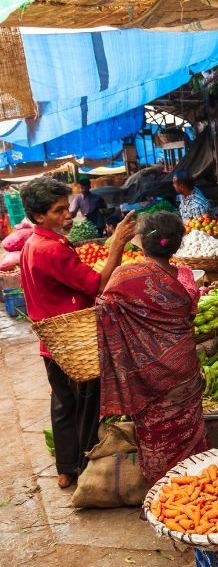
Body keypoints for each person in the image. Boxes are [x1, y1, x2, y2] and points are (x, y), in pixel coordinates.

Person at [19, 177, 137, 488]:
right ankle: (86, 469)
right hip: (76, 342)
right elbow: (97, 285)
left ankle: (66, 469)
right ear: (39, 215)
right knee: (87, 404)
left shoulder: (33, 243)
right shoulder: (51, 250)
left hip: (52, 344)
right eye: (59, 211)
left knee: (62, 404)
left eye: (66, 208)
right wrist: (119, 242)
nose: (68, 215)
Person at [96, 211, 207, 485]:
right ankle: (198, 485)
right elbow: (191, 309)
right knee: (189, 428)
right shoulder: (185, 276)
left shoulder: (125, 276)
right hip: (184, 369)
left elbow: (104, 304)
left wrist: (117, 246)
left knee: (154, 433)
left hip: (147, 376)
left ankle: (161, 492)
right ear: (178, 244)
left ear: (142, 243)